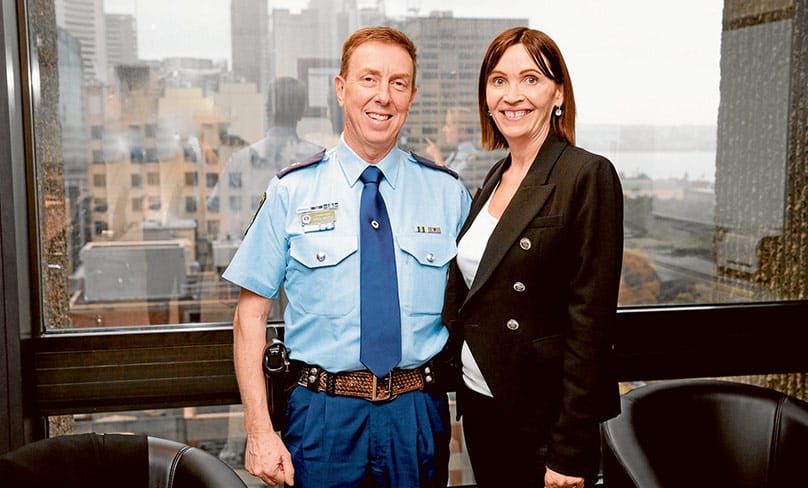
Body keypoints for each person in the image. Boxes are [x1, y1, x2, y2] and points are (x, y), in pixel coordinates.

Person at [223, 26, 471, 487]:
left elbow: (484, 304)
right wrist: (258, 430)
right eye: (369, 79)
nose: (384, 96)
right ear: (341, 89)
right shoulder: (291, 191)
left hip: (416, 412)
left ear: (412, 95)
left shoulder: (448, 193)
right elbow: (249, 318)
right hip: (322, 418)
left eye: (398, 83)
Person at [441, 26, 624, 488]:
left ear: (557, 92)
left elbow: (591, 323)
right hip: (483, 404)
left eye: (531, 79)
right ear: (485, 96)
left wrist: (569, 448)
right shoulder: (496, 178)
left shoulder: (587, 174)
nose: (512, 94)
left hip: (543, 421)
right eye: (498, 80)